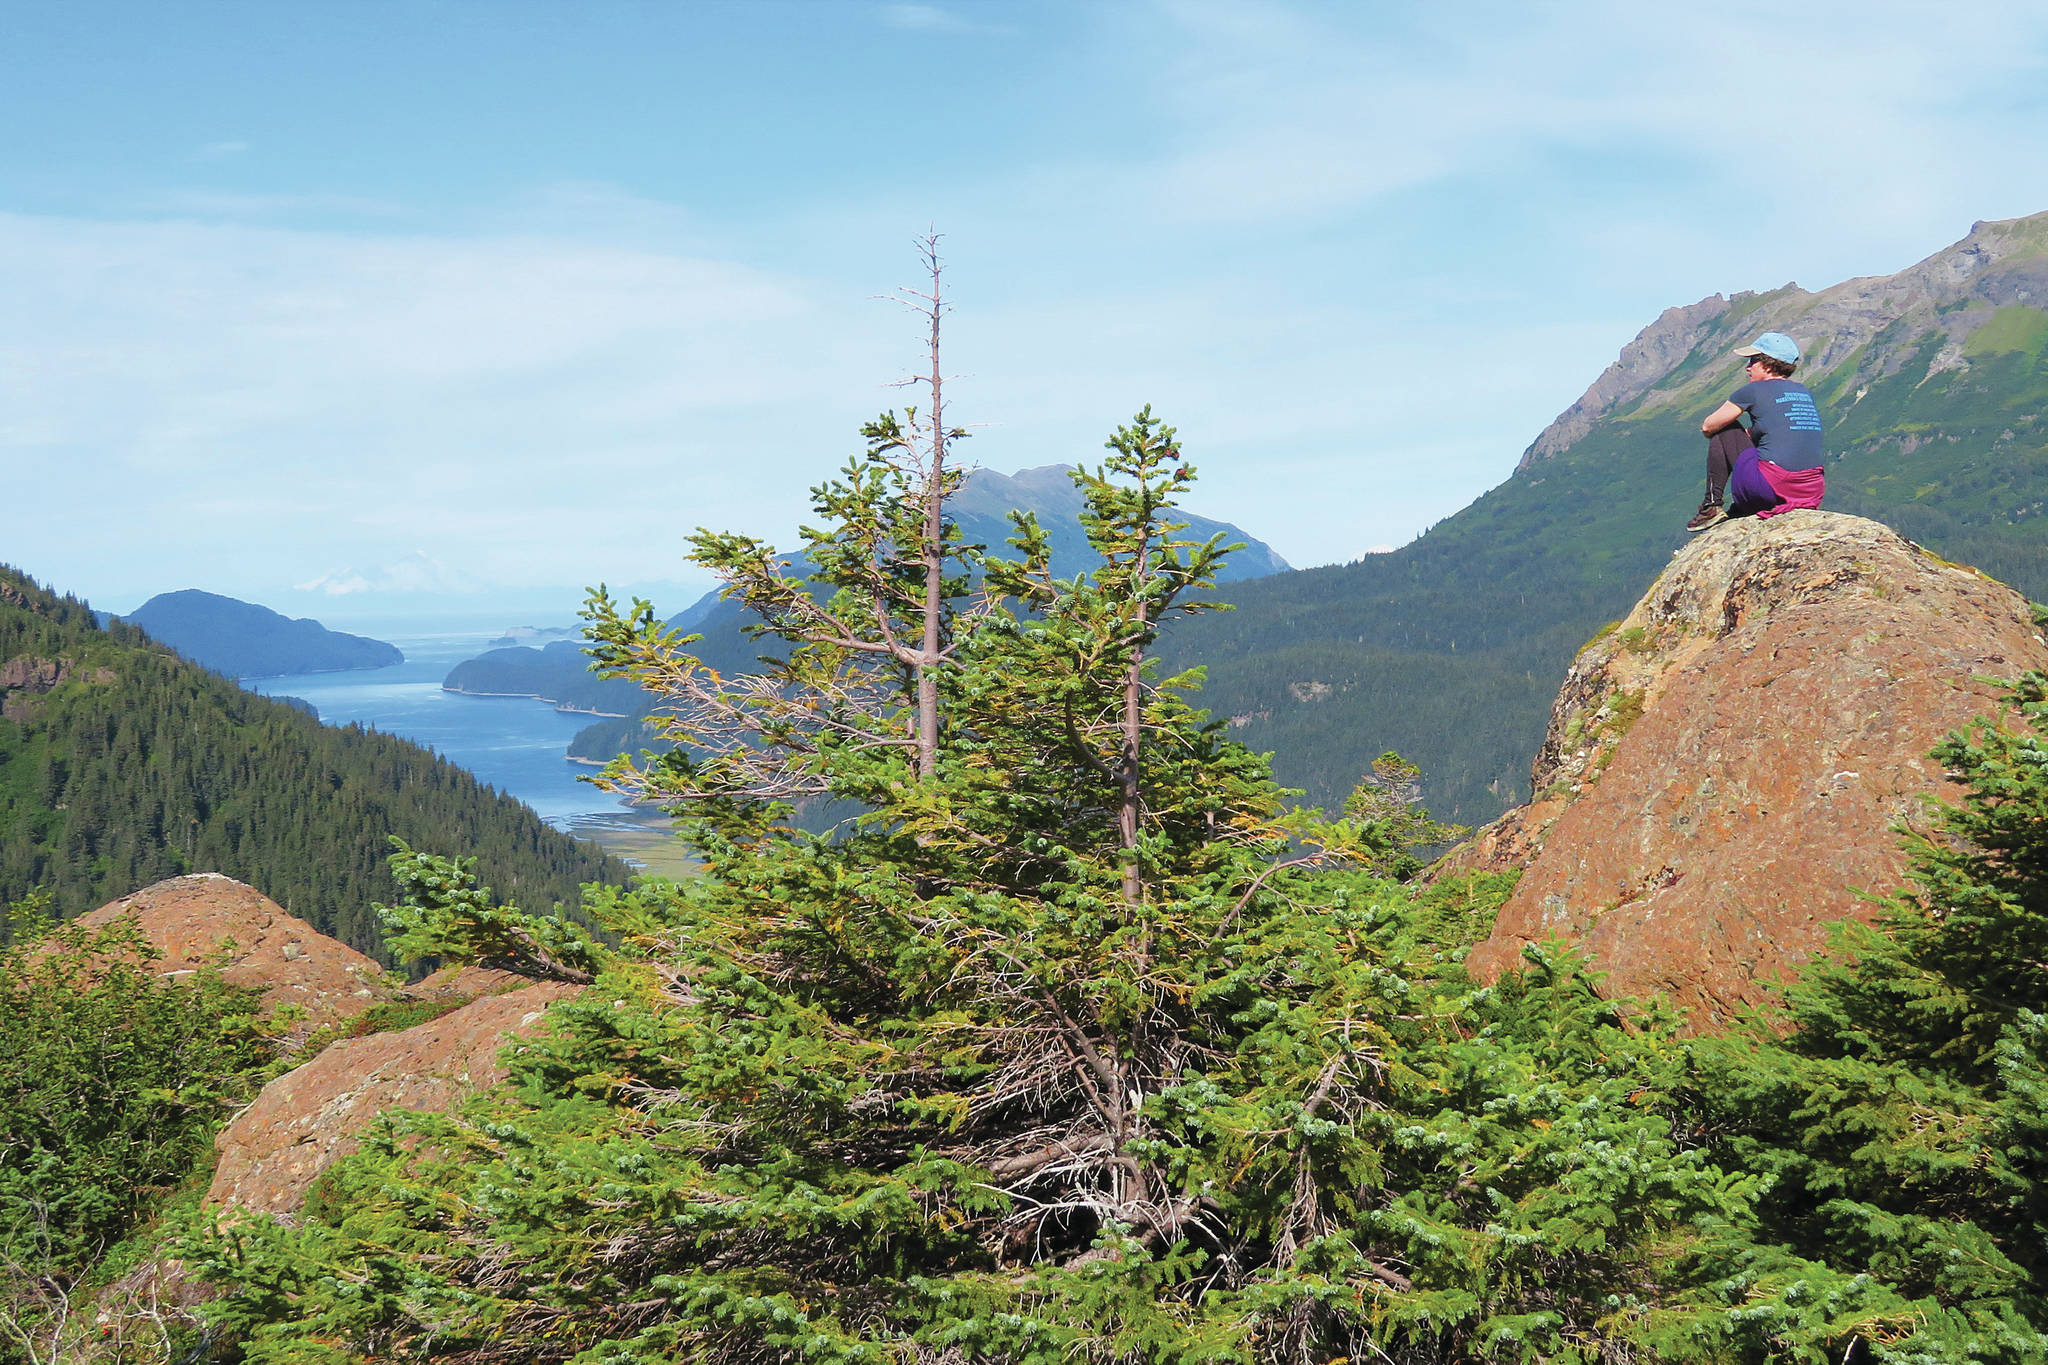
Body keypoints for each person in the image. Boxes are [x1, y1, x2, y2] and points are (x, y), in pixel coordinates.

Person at [1686, 331, 1827, 532]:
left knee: (1726, 430)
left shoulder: (1751, 391)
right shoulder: (1803, 392)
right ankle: (1742, 505)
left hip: (1771, 486)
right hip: (1811, 490)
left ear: (1768, 365)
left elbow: (1708, 426)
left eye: (1753, 361)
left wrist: (1728, 441)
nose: (1748, 367)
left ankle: (1711, 506)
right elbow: (1778, 430)